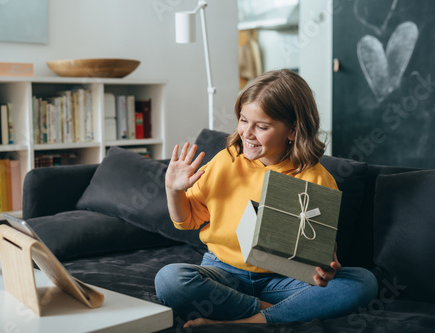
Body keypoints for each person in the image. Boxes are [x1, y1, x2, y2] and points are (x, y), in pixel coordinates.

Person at [154, 69, 377, 327]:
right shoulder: (226, 161)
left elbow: (319, 249)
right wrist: (174, 189)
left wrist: (326, 266)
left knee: (363, 283)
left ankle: (245, 324)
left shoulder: (316, 178)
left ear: (293, 130)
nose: (247, 133)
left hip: (281, 280)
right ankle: (271, 315)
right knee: (170, 279)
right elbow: (187, 220)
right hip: (223, 272)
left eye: (261, 126)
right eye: (243, 120)